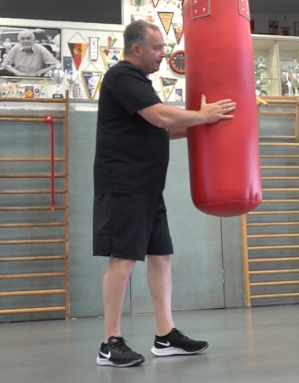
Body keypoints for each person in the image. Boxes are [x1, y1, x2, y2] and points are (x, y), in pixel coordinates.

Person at [92, 20, 236, 367]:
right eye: (157, 48)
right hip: (124, 185)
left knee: (161, 256)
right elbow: (159, 118)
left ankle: (165, 335)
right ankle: (109, 342)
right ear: (136, 49)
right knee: (123, 259)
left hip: (147, 188)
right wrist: (201, 115)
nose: (163, 55)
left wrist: (207, 124)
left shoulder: (140, 84)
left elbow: (159, 131)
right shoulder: (121, 77)